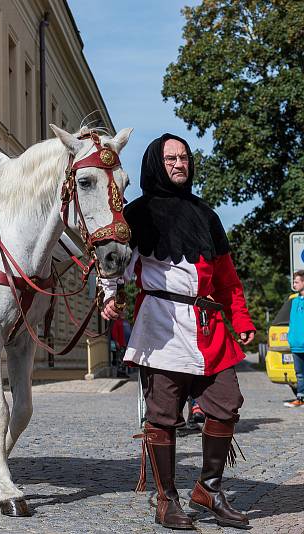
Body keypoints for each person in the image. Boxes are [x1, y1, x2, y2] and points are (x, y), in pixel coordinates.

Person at [100, 134, 255, 530]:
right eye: (170, 157)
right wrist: (110, 296)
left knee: (227, 400)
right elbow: (113, 261)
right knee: (164, 415)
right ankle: (167, 500)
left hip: (209, 326)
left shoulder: (207, 216)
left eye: (184, 157)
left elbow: (227, 280)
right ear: (155, 162)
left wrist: (242, 321)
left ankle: (208, 488)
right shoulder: (136, 215)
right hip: (161, 325)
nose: (179, 163)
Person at [283, 270, 304, 407]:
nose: (294, 284)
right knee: (300, 374)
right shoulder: (294, 300)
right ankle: (301, 398)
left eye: (296, 282)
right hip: (296, 344)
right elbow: (292, 321)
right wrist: (291, 337)